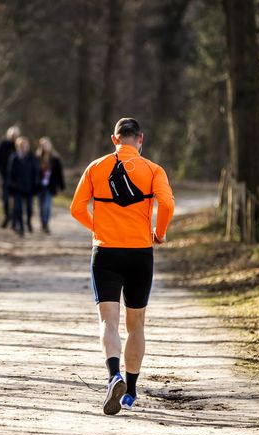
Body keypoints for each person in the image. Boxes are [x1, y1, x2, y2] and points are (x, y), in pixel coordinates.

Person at [70, 118, 175, 415]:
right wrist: (160, 232)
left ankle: (112, 375)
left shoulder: (95, 167)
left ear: (114, 139)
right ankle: (129, 391)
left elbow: (77, 208)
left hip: (105, 252)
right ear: (140, 139)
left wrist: (98, 227)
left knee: (108, 322)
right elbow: (166, 204)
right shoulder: (154, 170)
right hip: (140, 252)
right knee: (136, 323)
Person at [8, 136, 39, 236]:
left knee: (29, 209)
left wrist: (36, 184)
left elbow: (36, 172)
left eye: (25, 146)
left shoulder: (32, 157)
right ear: (18, 147)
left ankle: (29, 221)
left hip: (29, 188)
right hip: (17, 188)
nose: (23, 148)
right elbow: (10, 173)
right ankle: (21, 228)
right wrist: (12, 184)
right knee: (18, 209)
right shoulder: (14, 157)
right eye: (21, 146)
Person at [0, 125, 21, 228]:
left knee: (17, 200)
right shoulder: (3, 145)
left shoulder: (19, 146)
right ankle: (7, 216)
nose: (13, 137)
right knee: (5, 199)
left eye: (15, 135)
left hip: (17, 178)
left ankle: (14, 218)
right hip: (5, 176)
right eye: (12, 135)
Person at [35, 137, 65, 234]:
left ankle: (46, 224)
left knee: (47, 206)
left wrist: (61, 186)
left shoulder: (55, 159)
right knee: (40, 206)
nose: (45, 147)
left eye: (47, 145)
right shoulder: (37, 158)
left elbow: (59, 173)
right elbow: (33, 172)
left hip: (50, 186)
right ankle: (43, 223)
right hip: (39, 186)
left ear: (50, 146)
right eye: (43, 145)